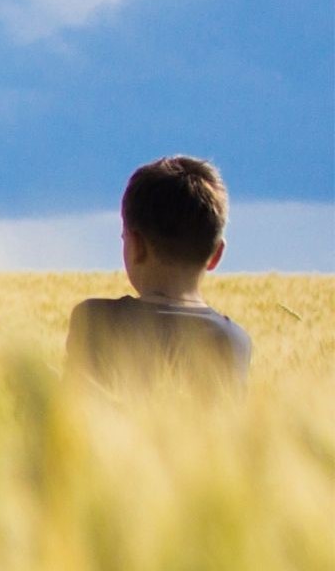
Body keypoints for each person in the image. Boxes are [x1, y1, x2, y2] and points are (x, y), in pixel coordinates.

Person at [66, 156, 251, 395]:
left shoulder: (94, 321)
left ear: (137, 246)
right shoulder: (234, 341)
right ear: (216, 254)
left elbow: (73, 417)